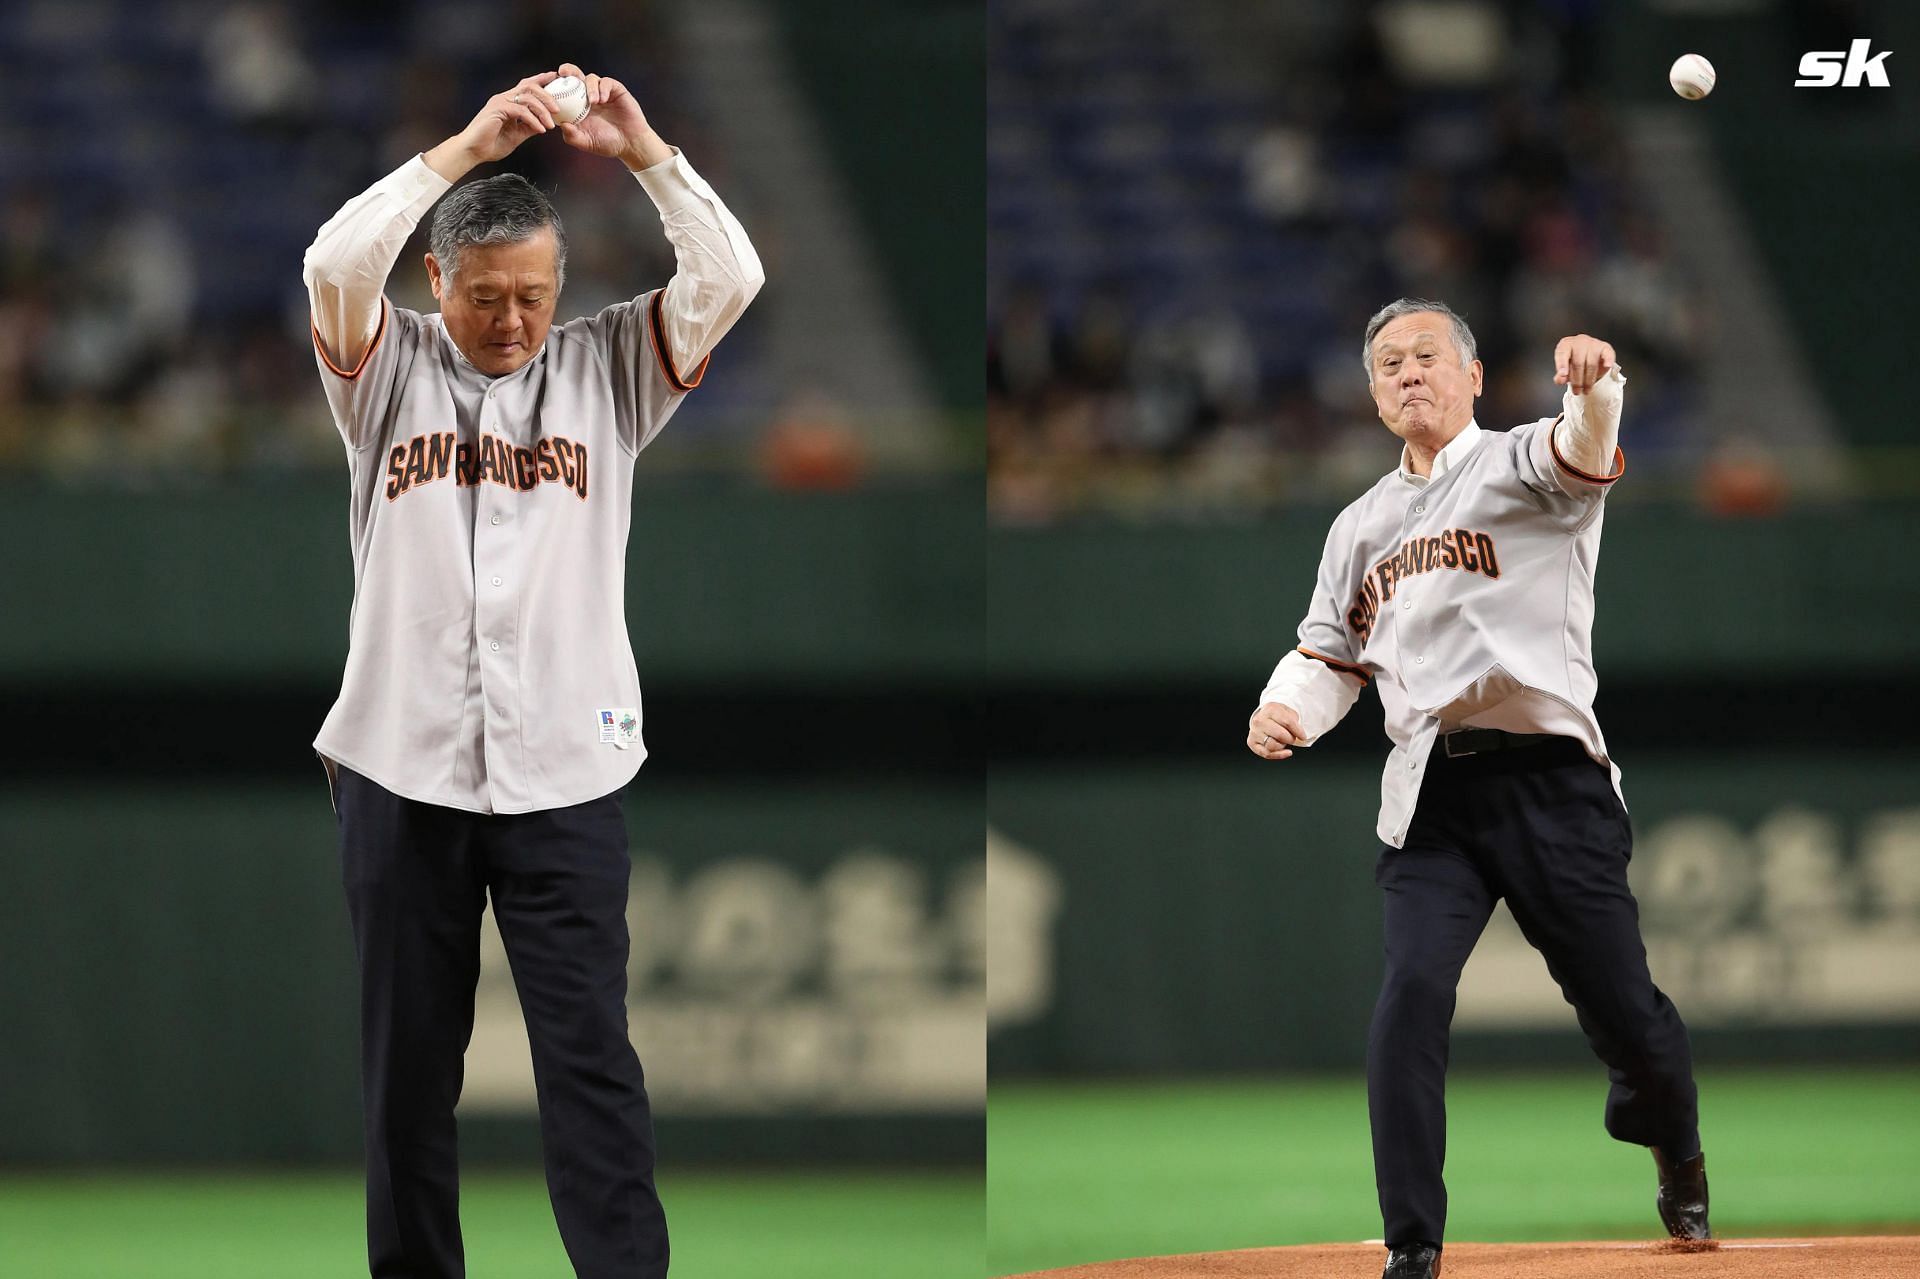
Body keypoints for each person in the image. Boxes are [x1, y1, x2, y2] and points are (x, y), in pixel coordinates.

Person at [303, 64, 763, 1279]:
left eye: (535, 295)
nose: (513, 320)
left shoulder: (607, 368)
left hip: (567, 767)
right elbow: (333, 267)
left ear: (564, 289)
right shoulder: (384, 366)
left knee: (590, 1065)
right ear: (438, 280)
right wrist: (456, 153)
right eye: (488, 296)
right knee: (407, 1079)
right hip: (401, 766)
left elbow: (731, 279)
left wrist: (646, 151)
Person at [1246, 299, 1706, 1279]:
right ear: (1373, 397)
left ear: (1473, 374)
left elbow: (1585, 448)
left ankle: (1674, 1141)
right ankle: (1413, 1239)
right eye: (1386, 366)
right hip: (1429, 799)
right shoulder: (1358, 525)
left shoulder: (1523, 464)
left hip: (1550, 779)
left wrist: (1597, 382)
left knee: (1627, 1013)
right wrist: (1287, 703)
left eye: (1425, 356)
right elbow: (1331, 653)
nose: (1407, 374)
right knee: (1409, 996)